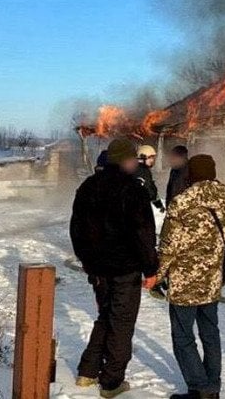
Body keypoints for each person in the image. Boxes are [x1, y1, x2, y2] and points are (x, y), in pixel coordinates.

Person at [70, 138, 161, 398]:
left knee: (106, 315)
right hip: (125, 269)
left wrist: (87, 261)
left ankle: (88, 371)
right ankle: (111, 382)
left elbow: (76, 230)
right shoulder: (132, 190)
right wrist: (151, 269)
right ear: (126, 160)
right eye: (133, 159)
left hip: (98, 269)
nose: (136, 163)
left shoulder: (88, 186)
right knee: (121, 323)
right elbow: (143, 234)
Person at [152, 154, 225, 399]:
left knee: (183, 336)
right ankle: (212, 387)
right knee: (210, 333)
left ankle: (200, 388)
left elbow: (168, 246)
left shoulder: (182, 202)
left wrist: (157, 276)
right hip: (212, 280)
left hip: (184, 281)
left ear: (190, 174)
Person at [136, 144, 164, 212]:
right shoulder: (140, 171)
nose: (152, 160)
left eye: (153, 158)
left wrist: (159, 204)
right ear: (143, 158)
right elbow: (148, 190)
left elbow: (151, 189)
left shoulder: (145, 171)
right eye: (150, 158)